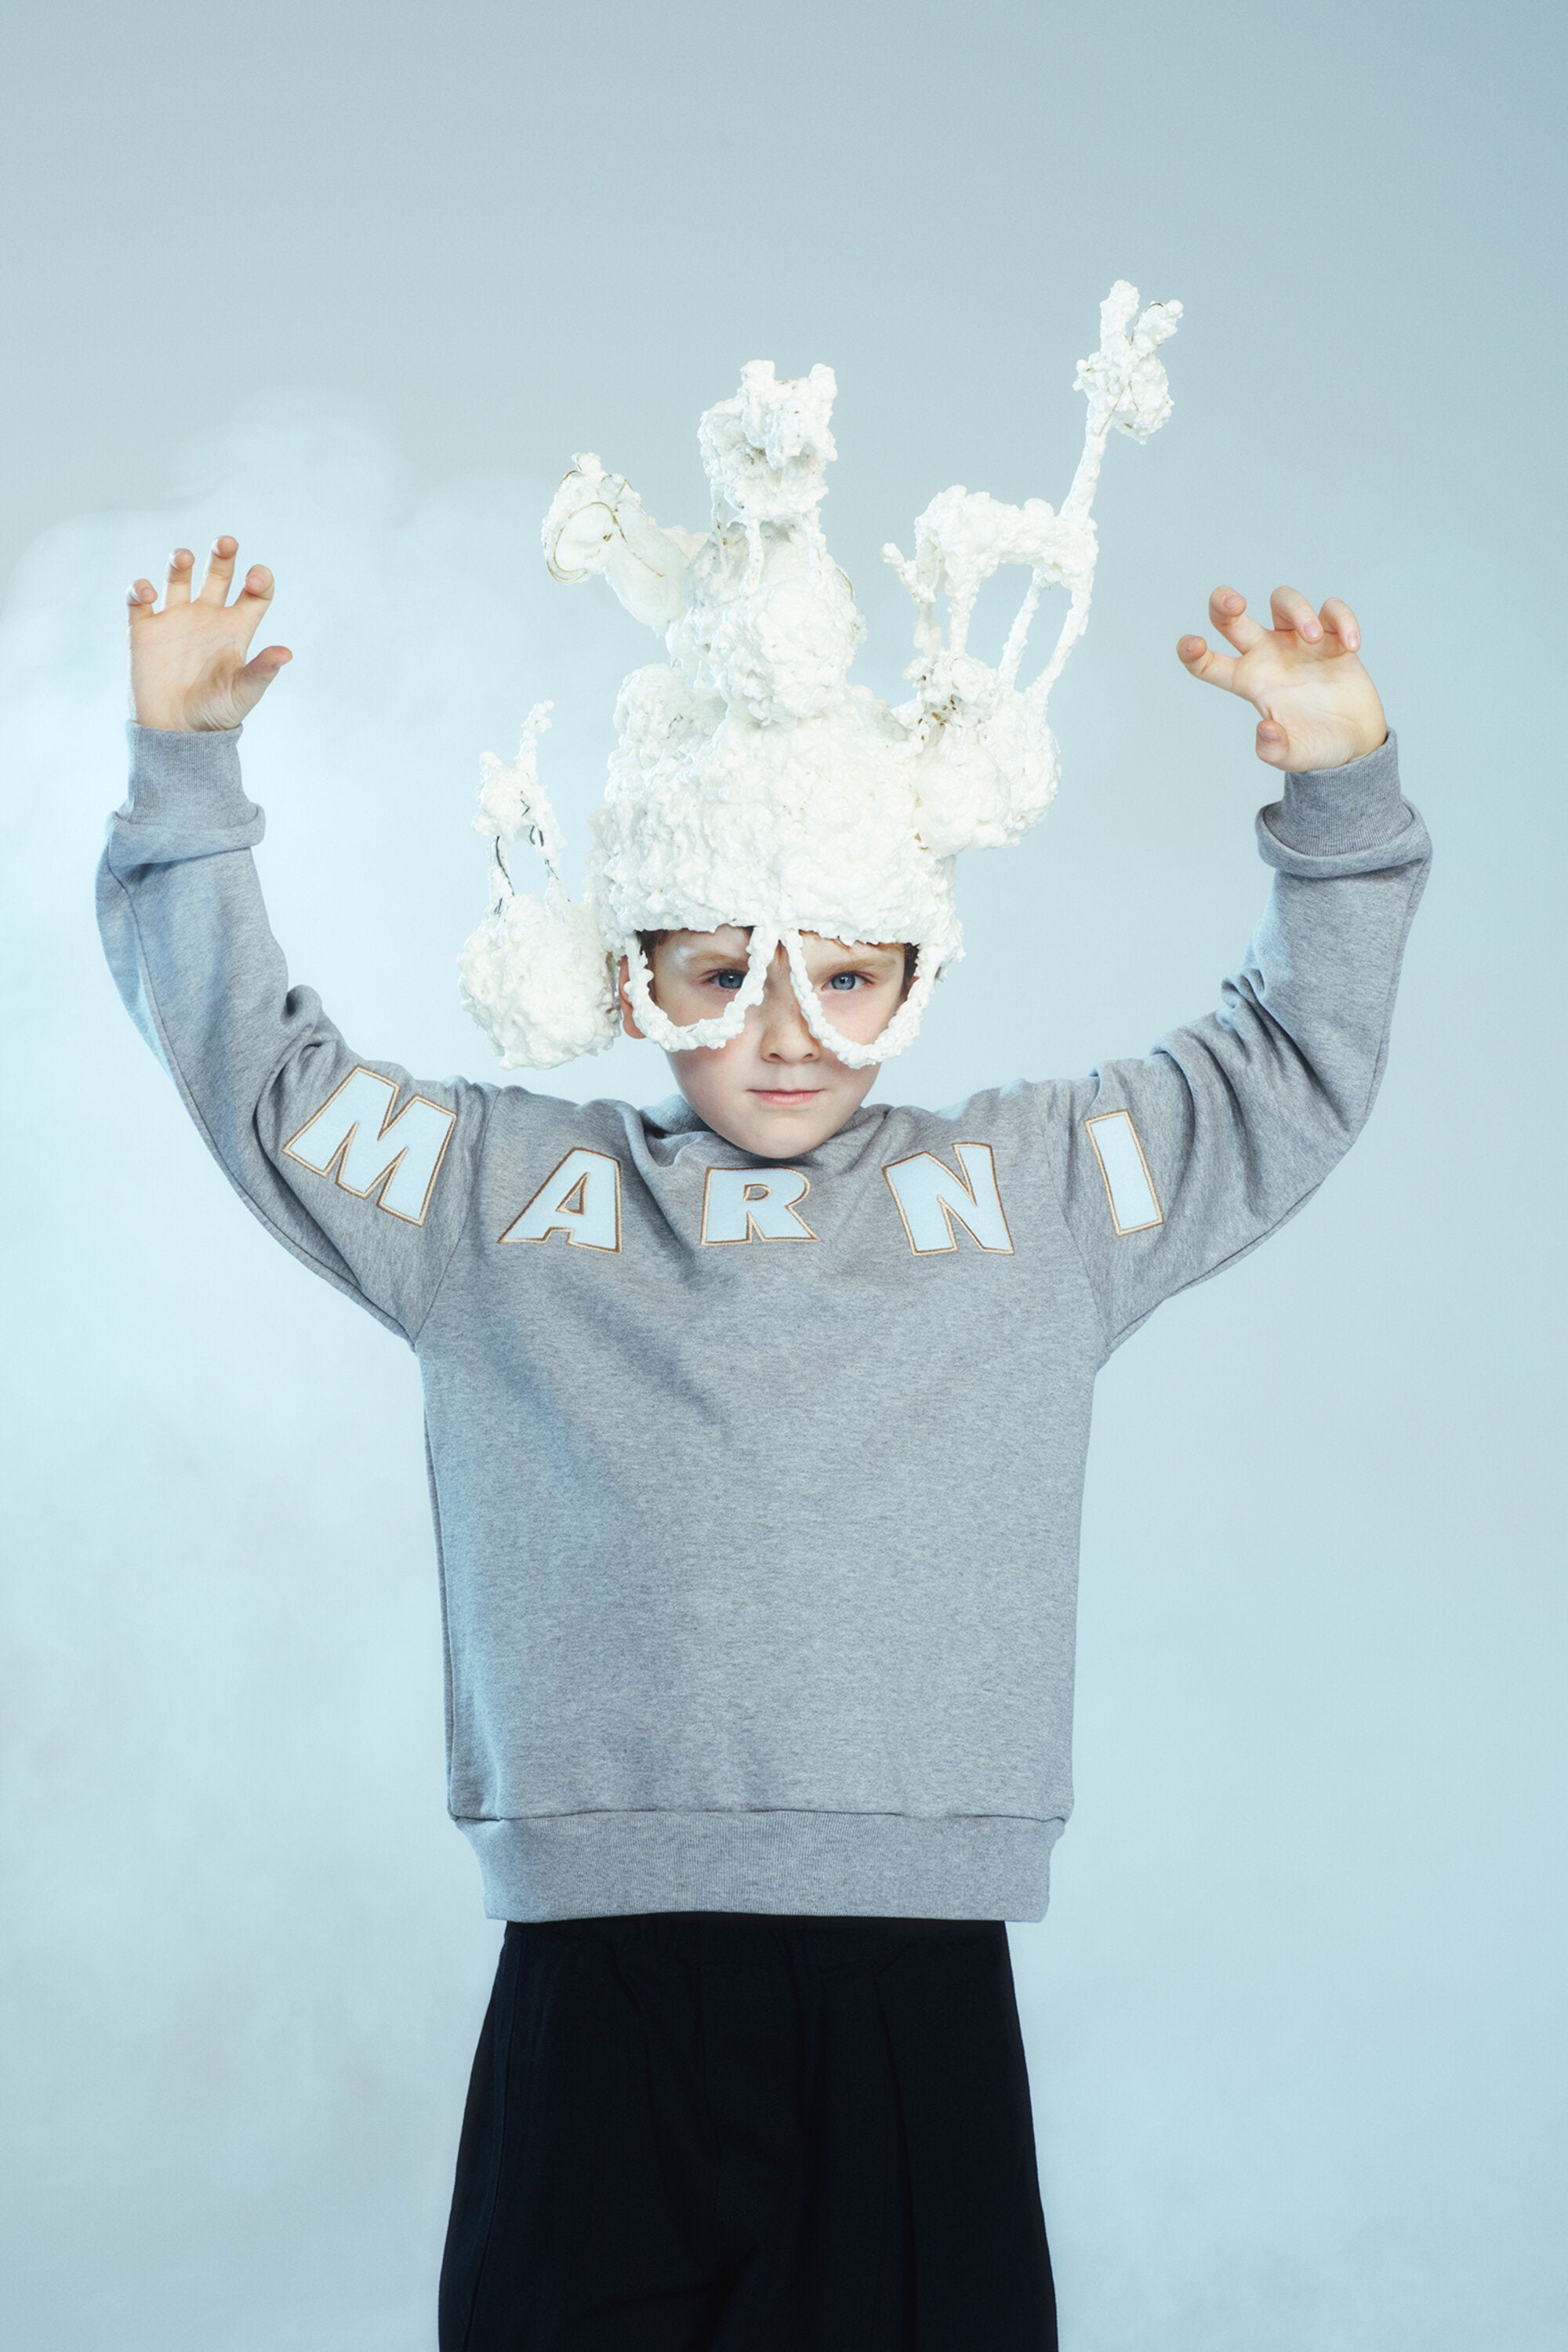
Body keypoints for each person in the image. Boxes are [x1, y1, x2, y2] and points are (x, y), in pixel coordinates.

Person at [96, 295, 1428, 2351]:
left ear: (919, 970)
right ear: (632, 973)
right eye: (723, 973)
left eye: (848, 977)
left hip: (914, 1982)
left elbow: (1286, 1074)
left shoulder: (1030, 1200)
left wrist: (1339, 792)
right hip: (595, 1984)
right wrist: (187, 777)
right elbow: (263, 1083)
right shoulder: (499, 1203)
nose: (787, 1031)